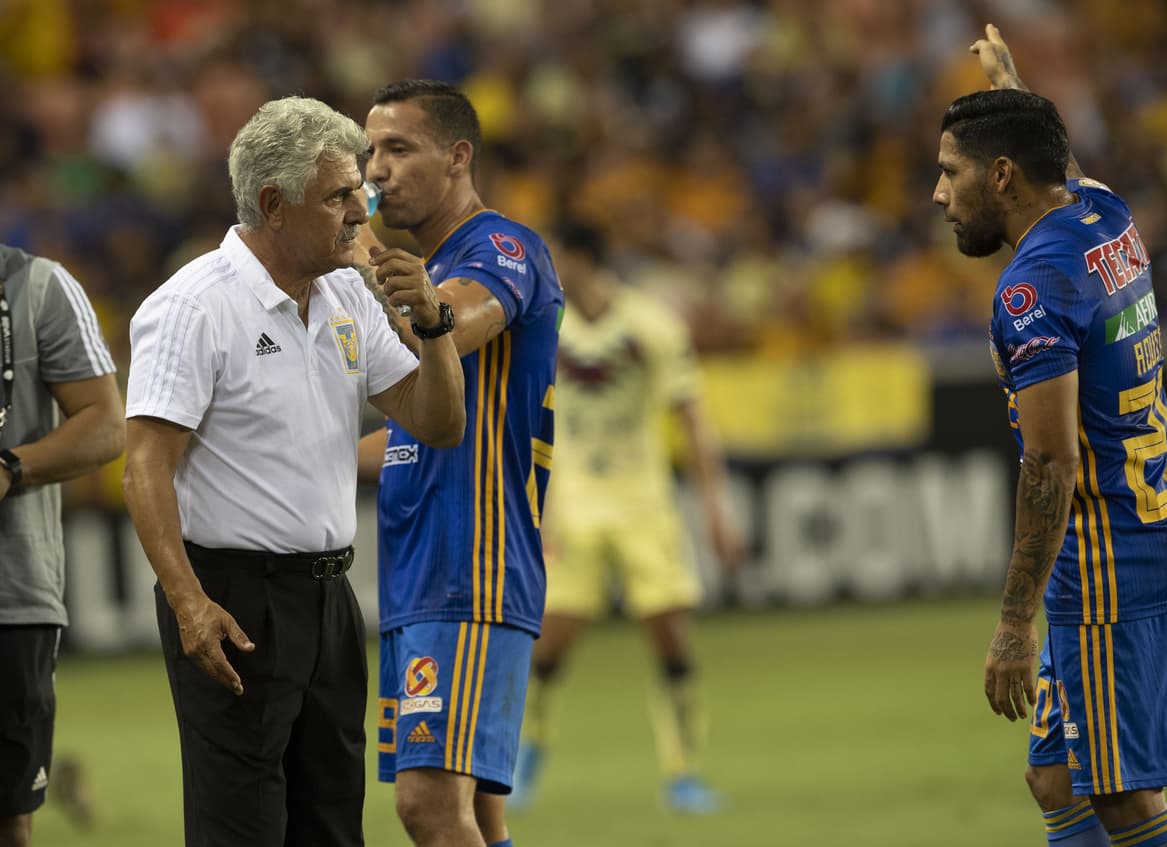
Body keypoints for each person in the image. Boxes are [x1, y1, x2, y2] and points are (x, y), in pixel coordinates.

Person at [121, 96, 466, 847]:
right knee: (241, 828)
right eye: (340, 195)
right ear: (274, 205)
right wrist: (188, 603)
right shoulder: (193, 306)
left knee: (333, 826)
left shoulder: (346, 293)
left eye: (358, 191)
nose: (361, 212)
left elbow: (438, 422)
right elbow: (144, 464)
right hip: (234, 598)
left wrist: (434, 325)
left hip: (330, 595)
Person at [933, 26, 1167, 847]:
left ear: (999, 175)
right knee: (1054, 776)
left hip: (1108, 564)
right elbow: (1060, 165)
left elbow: (1050, 460)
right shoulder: (1102, 211)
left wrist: (1014, 624)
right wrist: (1011, 87)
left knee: (1123, 799)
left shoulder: (1033, 289)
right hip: (1140, 529)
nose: (938, 194)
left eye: (950, 171)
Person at [356, 80, 562, 847]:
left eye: (398, 148)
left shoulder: (502, 248)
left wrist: (359, 246)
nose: (376, 170)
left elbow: (450, 326)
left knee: (430, 807)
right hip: (421, 572)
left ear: (457, 156)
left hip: (470, 562)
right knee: (474, 815)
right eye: (369, 152)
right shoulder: (429, 264)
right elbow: (411, 434)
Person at [507, 220, 742, 815]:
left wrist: (716, 508)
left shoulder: (652, 325)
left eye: (559, 259)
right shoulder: (544, 325)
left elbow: (691, 417)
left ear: (584, 260)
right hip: (572, 503)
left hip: (644, 502)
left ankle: (683, 773)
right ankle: (527, 757)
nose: (549, 271)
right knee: (550, 645)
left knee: (670, 637)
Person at [0, 247, 125, 847]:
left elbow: (106, 423)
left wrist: (9, 468)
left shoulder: (38, 289)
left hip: (10, 593)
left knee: (7, 816)